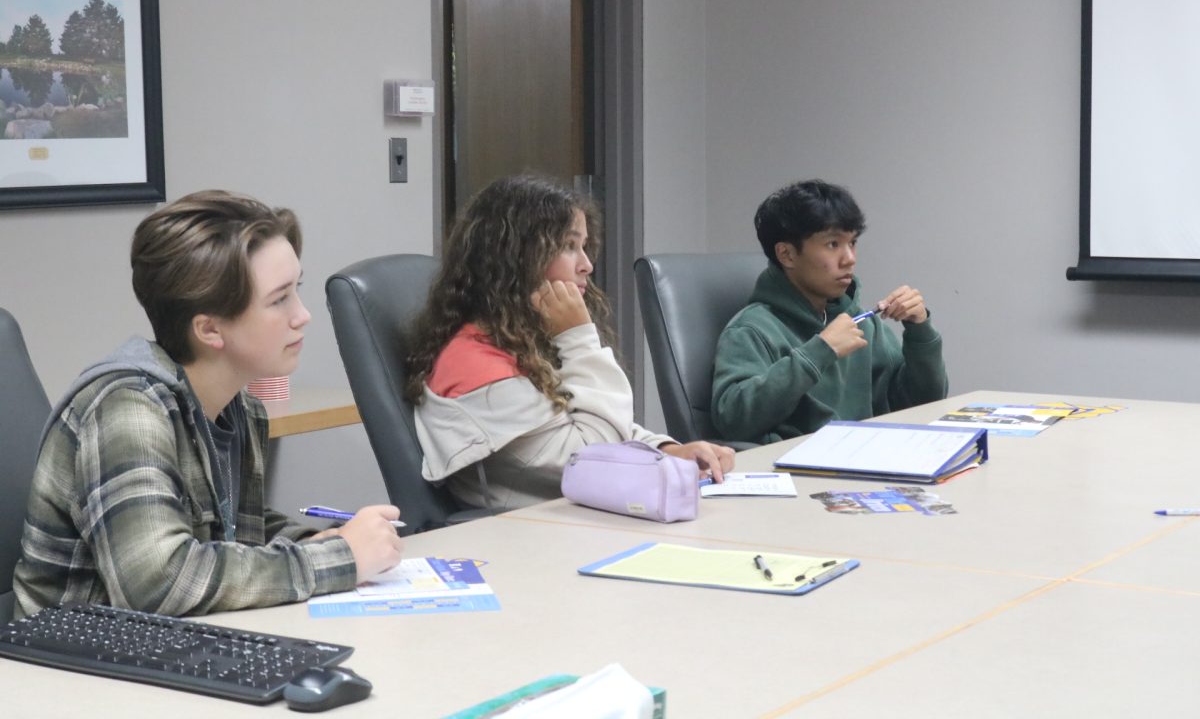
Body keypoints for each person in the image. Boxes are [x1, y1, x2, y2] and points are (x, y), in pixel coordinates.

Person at [12, 190, 404, 620]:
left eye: (298, 290)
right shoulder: (127, 411)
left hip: (162, 654)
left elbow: (236, 535)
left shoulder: (239, 409)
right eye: (279, 299)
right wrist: (340, 559)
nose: (302, 314)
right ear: (210, 330)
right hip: (63, 669)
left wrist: (323, 540)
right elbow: (160, 583)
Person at [406, 175, 734, 511]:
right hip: (529, 542)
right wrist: (578, 338)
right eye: (568, 246)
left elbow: (589, 419)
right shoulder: (474, 363)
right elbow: (595, 456)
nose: (587, 265)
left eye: (584, 246)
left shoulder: (517, 338)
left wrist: (667, 450)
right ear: (517, 256)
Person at [711, 179, 948, 444]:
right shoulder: (752, 329)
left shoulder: (861, 322)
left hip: (868, 462)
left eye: (853, 242)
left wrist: (920, 331)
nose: (850, 258)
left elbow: (923, 404)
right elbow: (732, 420)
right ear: (786, 254)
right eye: (833, 244)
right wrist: (819, 352)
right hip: (800, 473)